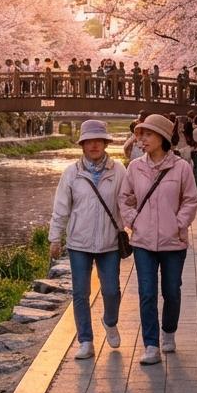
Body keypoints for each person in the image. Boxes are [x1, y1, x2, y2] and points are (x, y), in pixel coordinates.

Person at [119, 114, 197, 365]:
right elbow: (124, 198)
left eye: (148, 134)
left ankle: (169, 331)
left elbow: (190, 200)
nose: (142, 139)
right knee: (146, 292)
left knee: (171, 291)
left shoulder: (181, 167)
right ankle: (151, 345)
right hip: (143, 241)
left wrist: (178, 224)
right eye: (140, 134)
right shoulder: (135, 167)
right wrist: (133, 220)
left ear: (162, 137)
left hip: (173, 241)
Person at [48, 120, 127, 358]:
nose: (94, 145)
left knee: (111, 290)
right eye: (89, 141)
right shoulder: (72, 173)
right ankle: (85, 341)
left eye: (98, 141)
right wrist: (55, 238)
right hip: (79, 243)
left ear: (105, 143)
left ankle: (110, 322)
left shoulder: (118, 171)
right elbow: (61, 208)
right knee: (80, 293)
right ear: (82, 145)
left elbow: (126, 203)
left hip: (109, 242)